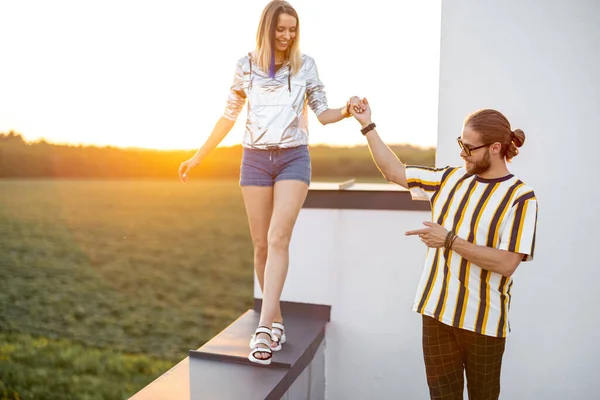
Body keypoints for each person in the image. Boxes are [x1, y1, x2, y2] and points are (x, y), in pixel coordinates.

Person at [178, 0, 362, 365]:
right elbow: (228, 116)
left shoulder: (305, 65)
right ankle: (276, 320)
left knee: (279, 237)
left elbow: (323, 114)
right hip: (255, 161)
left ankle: (263, 327)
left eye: (292, 29)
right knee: (261, 246)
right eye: (281, 29)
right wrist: (199, 155)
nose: (287, 35)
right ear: (266, 28)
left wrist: (347, 109)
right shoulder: (244, 66)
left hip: (294, 158)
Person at [350, 99, 538, 399]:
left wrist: (449, 240)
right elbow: (394, 172)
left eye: (469, 148)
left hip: (484, 325)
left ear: (495, 148)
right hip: (436, 316)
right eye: (460, 144)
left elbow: (506, 263)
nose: (462, 153)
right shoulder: (449, 178)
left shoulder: (521, 198)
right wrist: (367, 125)